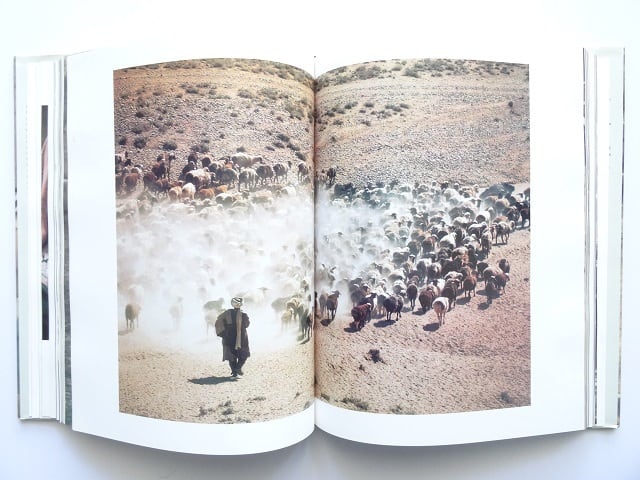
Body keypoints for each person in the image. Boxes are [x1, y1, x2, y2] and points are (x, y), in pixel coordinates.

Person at [215, 297, 250, 378]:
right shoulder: (244, 315)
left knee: (231, 357)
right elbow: (247, 324)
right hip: (241, 339)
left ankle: (234, 373)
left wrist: (223, 334)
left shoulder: (226, 314)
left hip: (228, 338)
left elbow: (218, 322)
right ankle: (238, 368)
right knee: (243, 355)